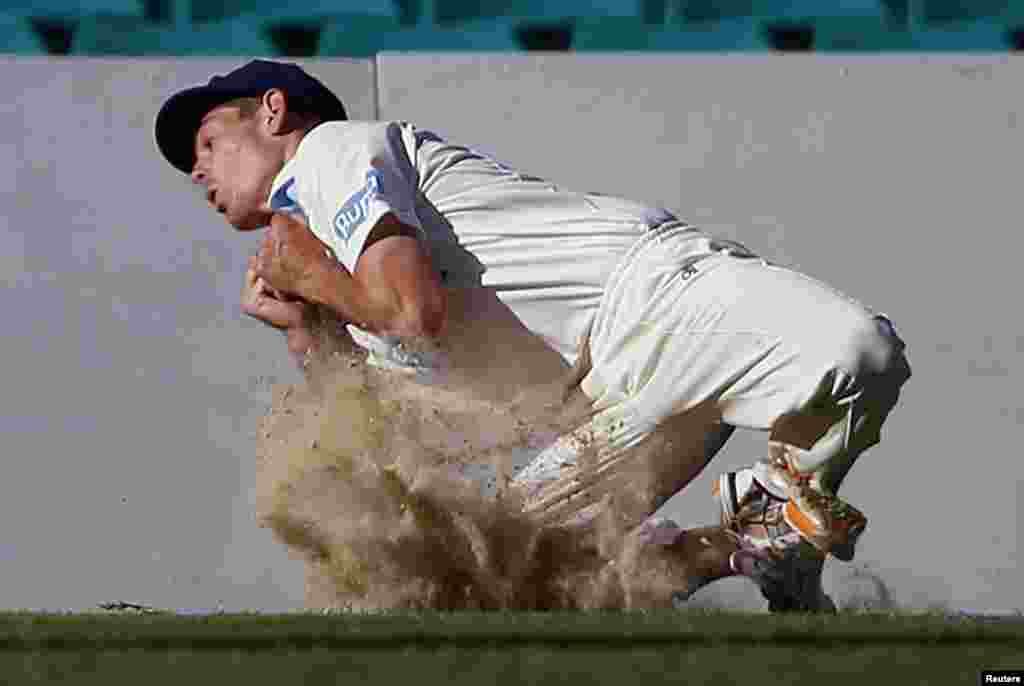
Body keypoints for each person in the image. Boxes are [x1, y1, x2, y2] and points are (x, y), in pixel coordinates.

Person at [155, 59, 911, 612]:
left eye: (209, 143)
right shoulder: (330, 257)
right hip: (602, 411)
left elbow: (414, 314)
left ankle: (780, 501)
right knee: (480, 579)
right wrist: (301, 326)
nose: (197, 171)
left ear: (275, 111)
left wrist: (315, 283)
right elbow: (373, 426)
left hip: (656, 302)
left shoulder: (330, 156)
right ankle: (753, 546)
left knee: (858, 353)